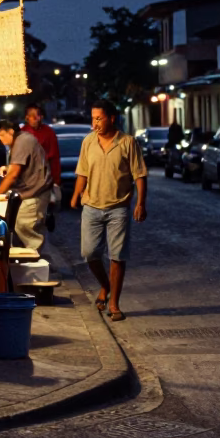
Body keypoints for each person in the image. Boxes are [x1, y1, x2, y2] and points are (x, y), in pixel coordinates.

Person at [70, 99, 147, 322]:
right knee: (89, 253)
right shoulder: (88, 142)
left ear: (111, 118)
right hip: (91, 206)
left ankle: (114, 304)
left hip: (118, 208)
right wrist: (76, 194)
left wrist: (141, 203)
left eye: (99, 118)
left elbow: (139, 175)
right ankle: (105, 285)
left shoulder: (128, 142)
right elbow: (82, 171)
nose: (95, 123)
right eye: (93, 118)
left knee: (117, 256)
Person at [0, 120, 53, 251]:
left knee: (25, 228)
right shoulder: (21, 140)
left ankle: (35, 267)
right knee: (20, 228)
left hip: (34, 193)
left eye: (1, 135)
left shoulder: (22, 141)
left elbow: (13, 175)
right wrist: (8, 168)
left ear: (11, 131)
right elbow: (20, 167)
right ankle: (28, 264)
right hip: (29, 191)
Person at [21, 104, 62, 231]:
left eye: (36, 116)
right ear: (27, 118)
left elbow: (54, 156)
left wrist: (56, 180)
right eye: (31, 116)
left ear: (41, 117)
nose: (34, 119)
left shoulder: (49, 132)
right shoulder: (23, 132)